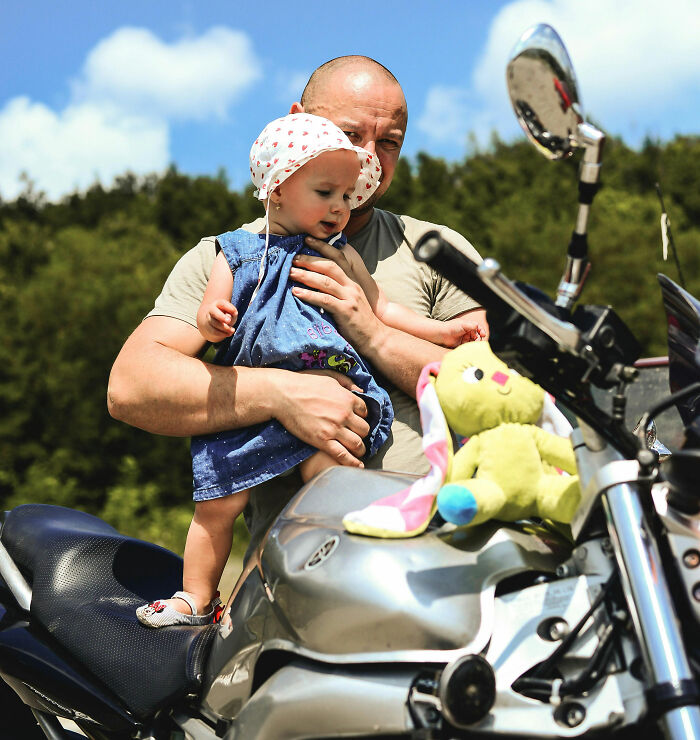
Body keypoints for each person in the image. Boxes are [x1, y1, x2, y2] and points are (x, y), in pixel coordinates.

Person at [108, 55, 488, 596]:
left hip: (451, 565)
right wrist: (284, 394)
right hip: (298, 587)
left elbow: (499, 392)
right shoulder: (232, 257)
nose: (368, 157)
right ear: (297, 121)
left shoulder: (435, 251)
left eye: (390, 142)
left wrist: (374, 334)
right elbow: (131, 387)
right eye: (351, 133)